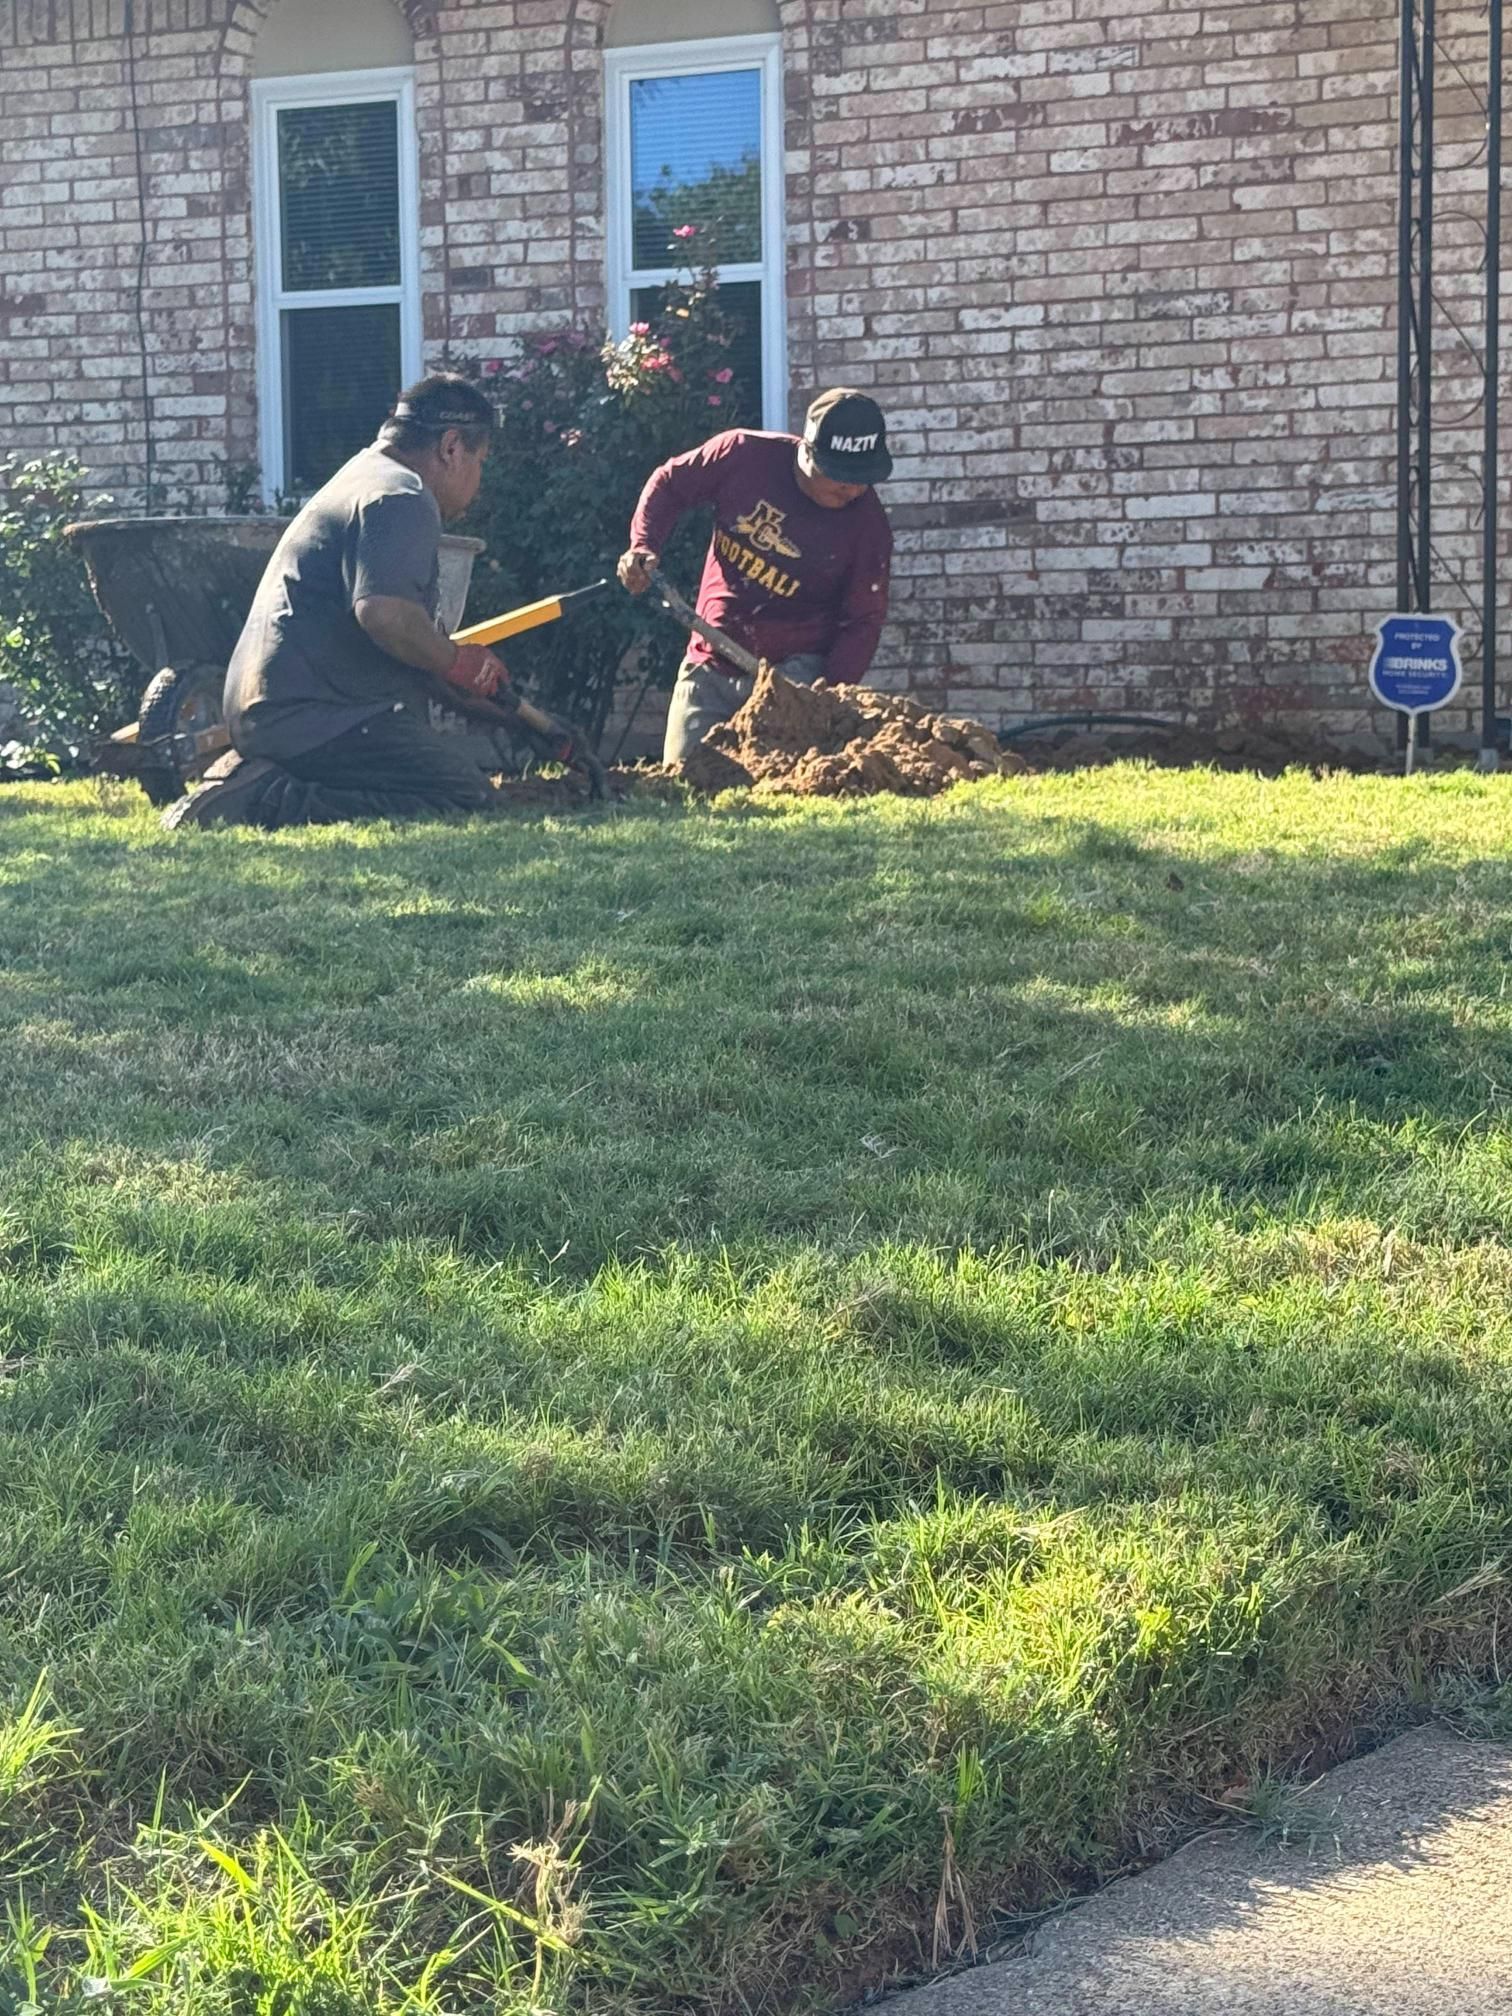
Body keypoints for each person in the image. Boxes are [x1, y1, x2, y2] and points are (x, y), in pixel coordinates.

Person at [164, 374, 525, 830]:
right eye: (481, 460)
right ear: (451, 447)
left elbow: (412, 654)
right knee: (464, 798)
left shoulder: (363, 477)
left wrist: (532, 724)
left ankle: (267, 776)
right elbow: (385, 616)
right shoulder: (402, 496)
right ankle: (264, 800)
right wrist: (458, 660)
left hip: (277, 710)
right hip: (321, 715)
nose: (479, 479)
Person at [618, 387, 895, 764]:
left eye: (863, 477)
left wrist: (822, 697)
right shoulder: (743, 456)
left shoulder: (868, 528)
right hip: (710, 662)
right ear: (808, 451)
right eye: (841, 476)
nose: (854, 489)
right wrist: (644, 545)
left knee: (781, 787)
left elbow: (863, 621)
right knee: (682, 783)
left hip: (794, 678)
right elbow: (669, 483)